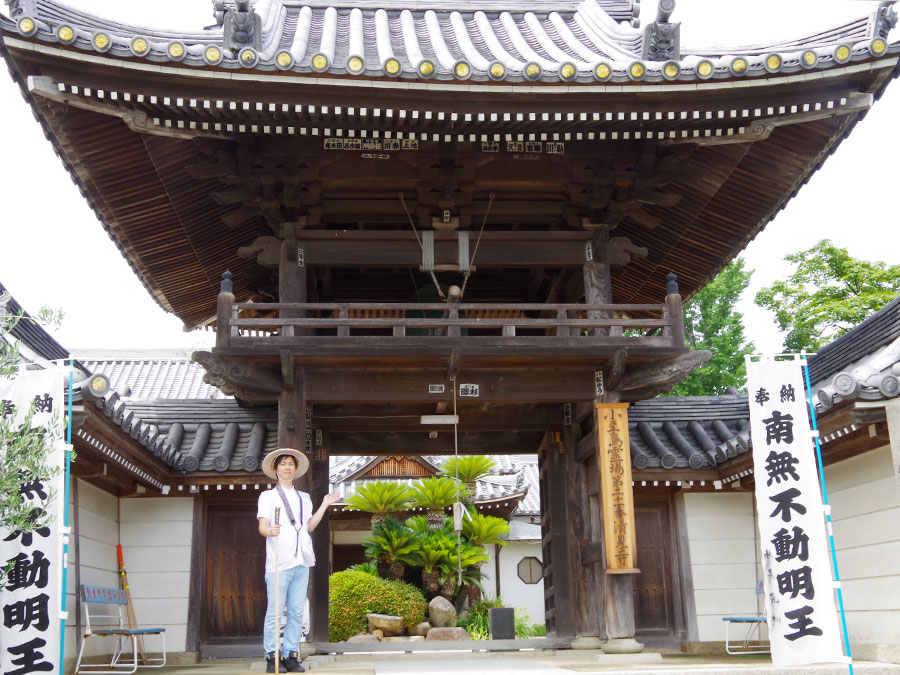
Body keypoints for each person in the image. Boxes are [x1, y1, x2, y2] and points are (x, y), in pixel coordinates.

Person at [257, 448, 340, 673]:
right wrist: (270, 531)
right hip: (278, 561)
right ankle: (271, 656)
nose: (287, 467)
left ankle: (291, 655)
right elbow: (262, 526)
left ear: (296, 469)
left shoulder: (304, 498)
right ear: (276, 469)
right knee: (274, 611)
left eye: (290, 464)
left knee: (295, 611)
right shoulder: (268, 496)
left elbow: (309, 526)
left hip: (301, 560)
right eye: (283, 463)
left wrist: (324, 504)